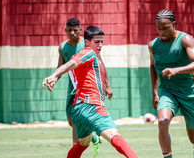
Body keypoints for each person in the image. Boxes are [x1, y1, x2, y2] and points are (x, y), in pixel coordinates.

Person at [42, 26, 138, 158]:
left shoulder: (91, 56)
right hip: (92, 106)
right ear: (87, 42)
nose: (100, 45)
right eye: (96, 41)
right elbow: (71, 63)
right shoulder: (88, 52)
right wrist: (54, 75)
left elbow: (73, 63)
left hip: (78, 110)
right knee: (115, 136)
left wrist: (107, 85)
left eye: (102, 42)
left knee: (83, 143)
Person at [148, 9, 194, 158]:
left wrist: (176, 70)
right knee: (162, 122)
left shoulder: (185, 39)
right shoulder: (153, 46)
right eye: (158, 28)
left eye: (165, 28)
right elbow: (153, 68)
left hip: (189, 92)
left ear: (174, 24)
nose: (161, 32)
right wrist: (154, 93)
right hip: (168, 91)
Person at [56, 18, 112, 156]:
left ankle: (76, 151)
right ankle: (94, 139)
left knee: (77, 122)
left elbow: (101, 63)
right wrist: (53, 78)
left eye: (76, 30)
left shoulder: (86, 44)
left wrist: (108, 85)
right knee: (71, 121)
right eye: (70, 30)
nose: (73, 32)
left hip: (86, 89)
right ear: (65, 31)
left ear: (80, 30)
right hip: (72, 89)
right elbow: (60, 67)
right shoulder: (62, 47)